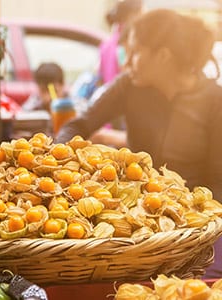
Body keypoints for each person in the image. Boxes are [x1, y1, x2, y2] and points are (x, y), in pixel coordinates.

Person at [55, 9, 222, 277]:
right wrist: (57, 159)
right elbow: (78, 124)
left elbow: (218, 181)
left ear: (163, 56)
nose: (127, 62)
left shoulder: (215, 101)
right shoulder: (129, 87)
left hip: (197, 229)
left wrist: (189, 226)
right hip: (136, 224)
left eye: (135, 52)